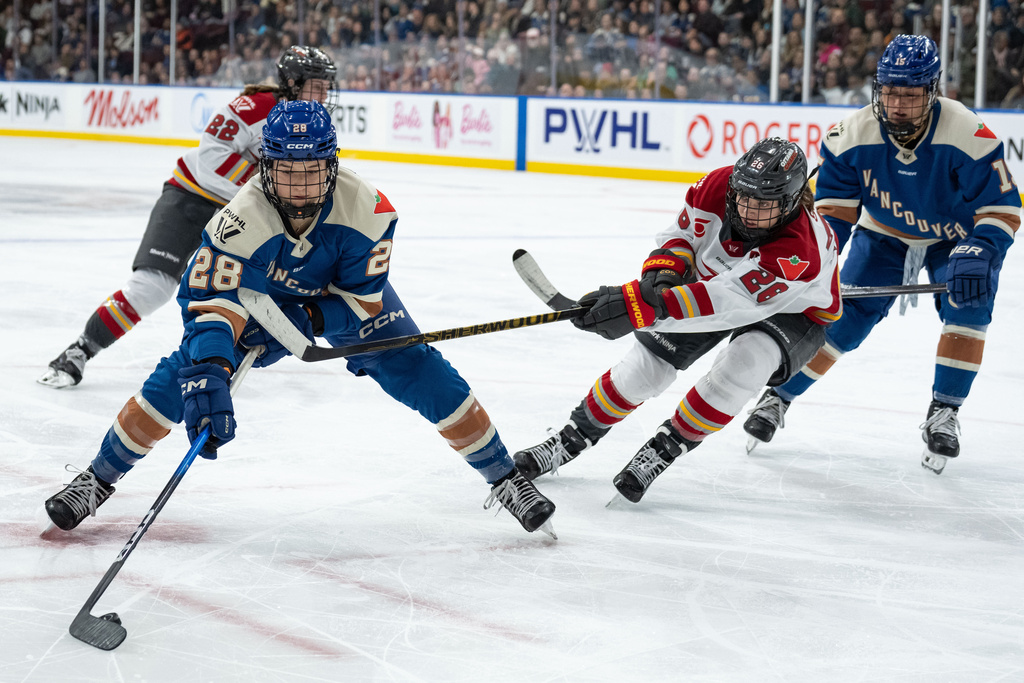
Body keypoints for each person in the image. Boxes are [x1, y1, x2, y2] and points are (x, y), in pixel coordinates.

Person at [43, 101, 556, 537]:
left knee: (419, 368)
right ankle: (97, 478)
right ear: (266, 167)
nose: (299, 185)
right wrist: (212, 367)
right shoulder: (237, 220)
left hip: (338, 298)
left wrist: (298, 321)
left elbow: (361, 303)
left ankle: (505, 477)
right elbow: (209, 305)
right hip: (261, 297)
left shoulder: (370, 211)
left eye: (311, 170)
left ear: (331, 165)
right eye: (287, 171)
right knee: (182, 378)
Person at [743, 35, 1021, 475]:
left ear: (933, 92)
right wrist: (817, 263)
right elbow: (833, 217)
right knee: (841, 320)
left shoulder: (968, 133)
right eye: (890, 93)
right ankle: (778, 396)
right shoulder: (850, 136)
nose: (898, 106)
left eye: (910, 95)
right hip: (884, 235)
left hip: (956, 239)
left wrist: (982, 248)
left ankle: (945, 411)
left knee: (970, 302)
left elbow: (1003, 207)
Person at [514, 138, 841, 503]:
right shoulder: (719, 185)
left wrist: (640, 308)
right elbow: (682, 235)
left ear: (791, 202)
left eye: (764, 204)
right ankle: (570, 438)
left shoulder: (800, 251)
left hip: (794, 310)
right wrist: (662, 279)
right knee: (643, 369)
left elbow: (728, 302)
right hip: (723, 283)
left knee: (745, 364)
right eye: (745, 197)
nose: (749, 209)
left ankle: (667, 446)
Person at [39, 46, 339, 389]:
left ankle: (214, 361)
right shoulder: (259, 106)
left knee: (247, 291)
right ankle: (79, 350)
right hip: (191, 199)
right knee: (151, 288)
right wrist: (261, 188)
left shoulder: (315, 124)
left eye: (328, 85)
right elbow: (212, 155)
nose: (326, 93)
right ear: (293, 82)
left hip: (238, 214)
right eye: (319, 84)